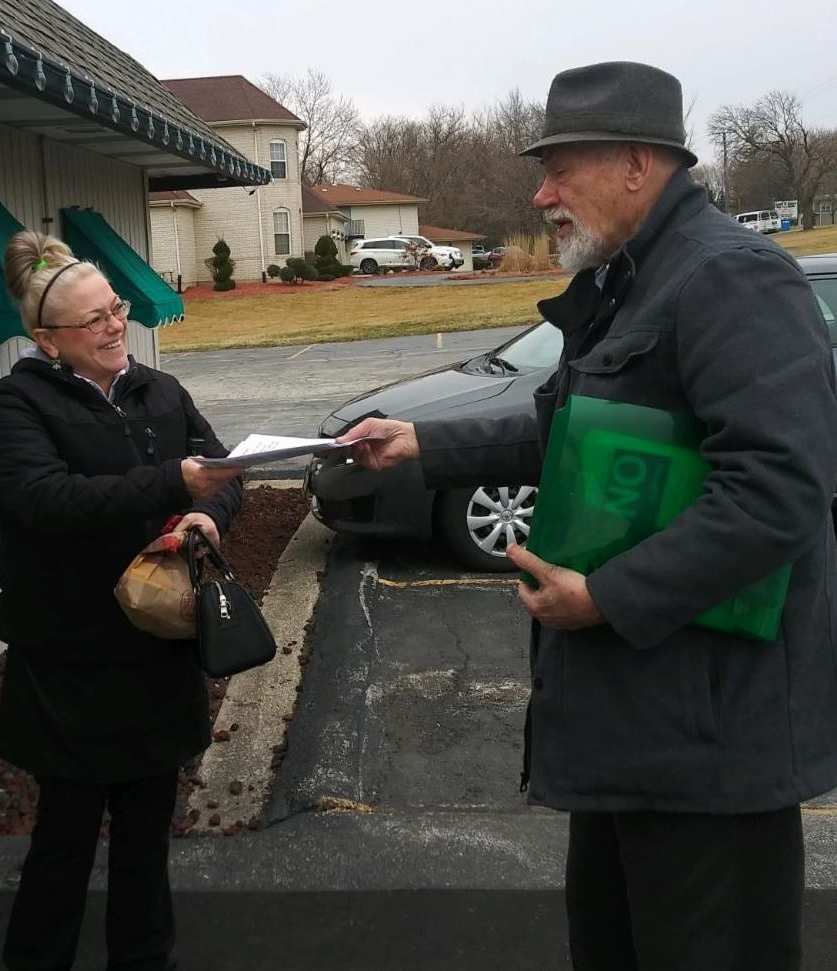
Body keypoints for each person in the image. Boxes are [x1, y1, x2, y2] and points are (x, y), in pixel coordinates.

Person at [339, 62, 837, 971]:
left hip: (709, 745)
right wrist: (421, 443)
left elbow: (780, 488)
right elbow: (566, 433)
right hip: (636, 735)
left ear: (640, 163)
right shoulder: (633, 280)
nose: (541, 193)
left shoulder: (732, 278)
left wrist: (607, 594)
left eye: (561, 168)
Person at [0, 231, 246, 971]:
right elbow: (45, 500)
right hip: (69, 663)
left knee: (145, 839)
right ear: (46, 339)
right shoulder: (12, 406)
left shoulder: (160, 389)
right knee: (63, 842)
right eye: (92, 319)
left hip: (157, 651)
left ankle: (145, 959)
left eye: (116, 307)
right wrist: (173, 485)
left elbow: (225, 471)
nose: (114, 325)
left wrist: (206, 515)